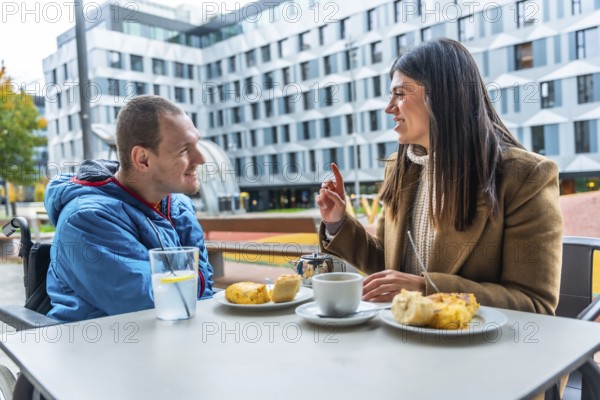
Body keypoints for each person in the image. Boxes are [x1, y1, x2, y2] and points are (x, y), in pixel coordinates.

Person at [316, 38, 562, 314]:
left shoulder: (525, 177)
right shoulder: (400, 167)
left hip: (477, 350)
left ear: (442, 95)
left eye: (399, 93)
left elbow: (534, 304)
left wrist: (428, 289)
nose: (389, 107)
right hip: (405, 336)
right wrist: (337, 223)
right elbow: (389, 269)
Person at [45, 95, 214, 322]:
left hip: (168, 340)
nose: (201, 158)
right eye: (184, 149)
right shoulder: (85, 220)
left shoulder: (178, 205)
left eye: (197, 144)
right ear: (143, 159)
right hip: (98, 350)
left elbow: (203, 286)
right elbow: (153, 306)